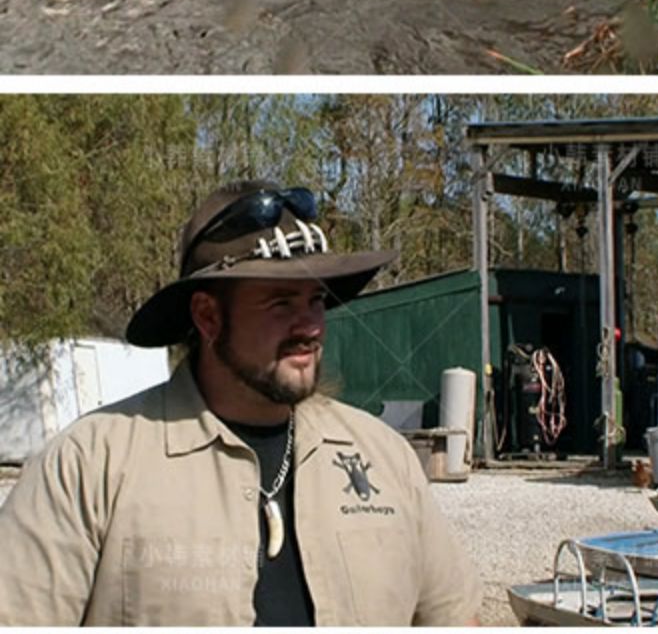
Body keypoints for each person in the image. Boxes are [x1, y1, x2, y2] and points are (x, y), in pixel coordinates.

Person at [0, 179, 481, 626]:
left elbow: (455, 618)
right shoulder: (90, 466)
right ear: (208, 317)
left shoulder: (384, 456)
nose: (311, 326)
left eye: (315, 300)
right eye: (281, 304)